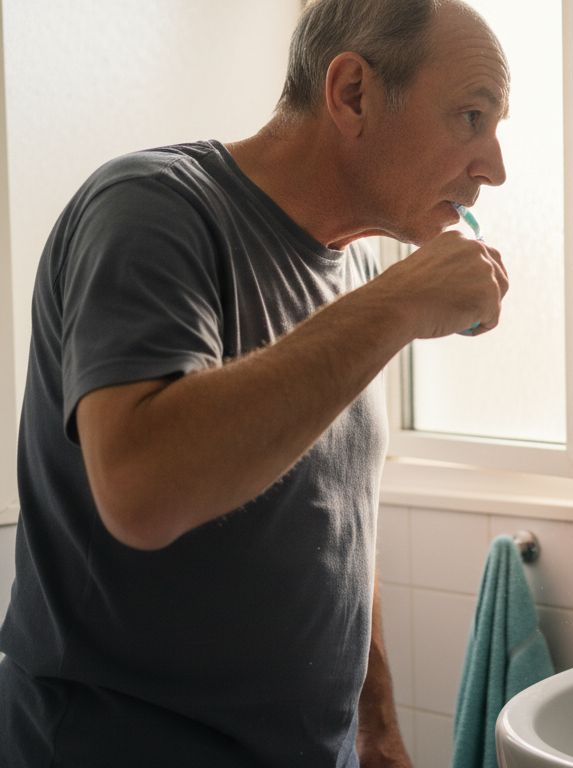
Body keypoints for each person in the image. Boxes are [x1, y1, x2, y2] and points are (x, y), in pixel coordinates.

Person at [0, 1, 510, 765]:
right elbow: (142, 489)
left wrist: (374, 725)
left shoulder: (362, 270)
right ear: (352, 94)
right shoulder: (150, 209)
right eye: (472, 116)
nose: (494, 167)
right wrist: (400, 304)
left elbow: (335, 523)